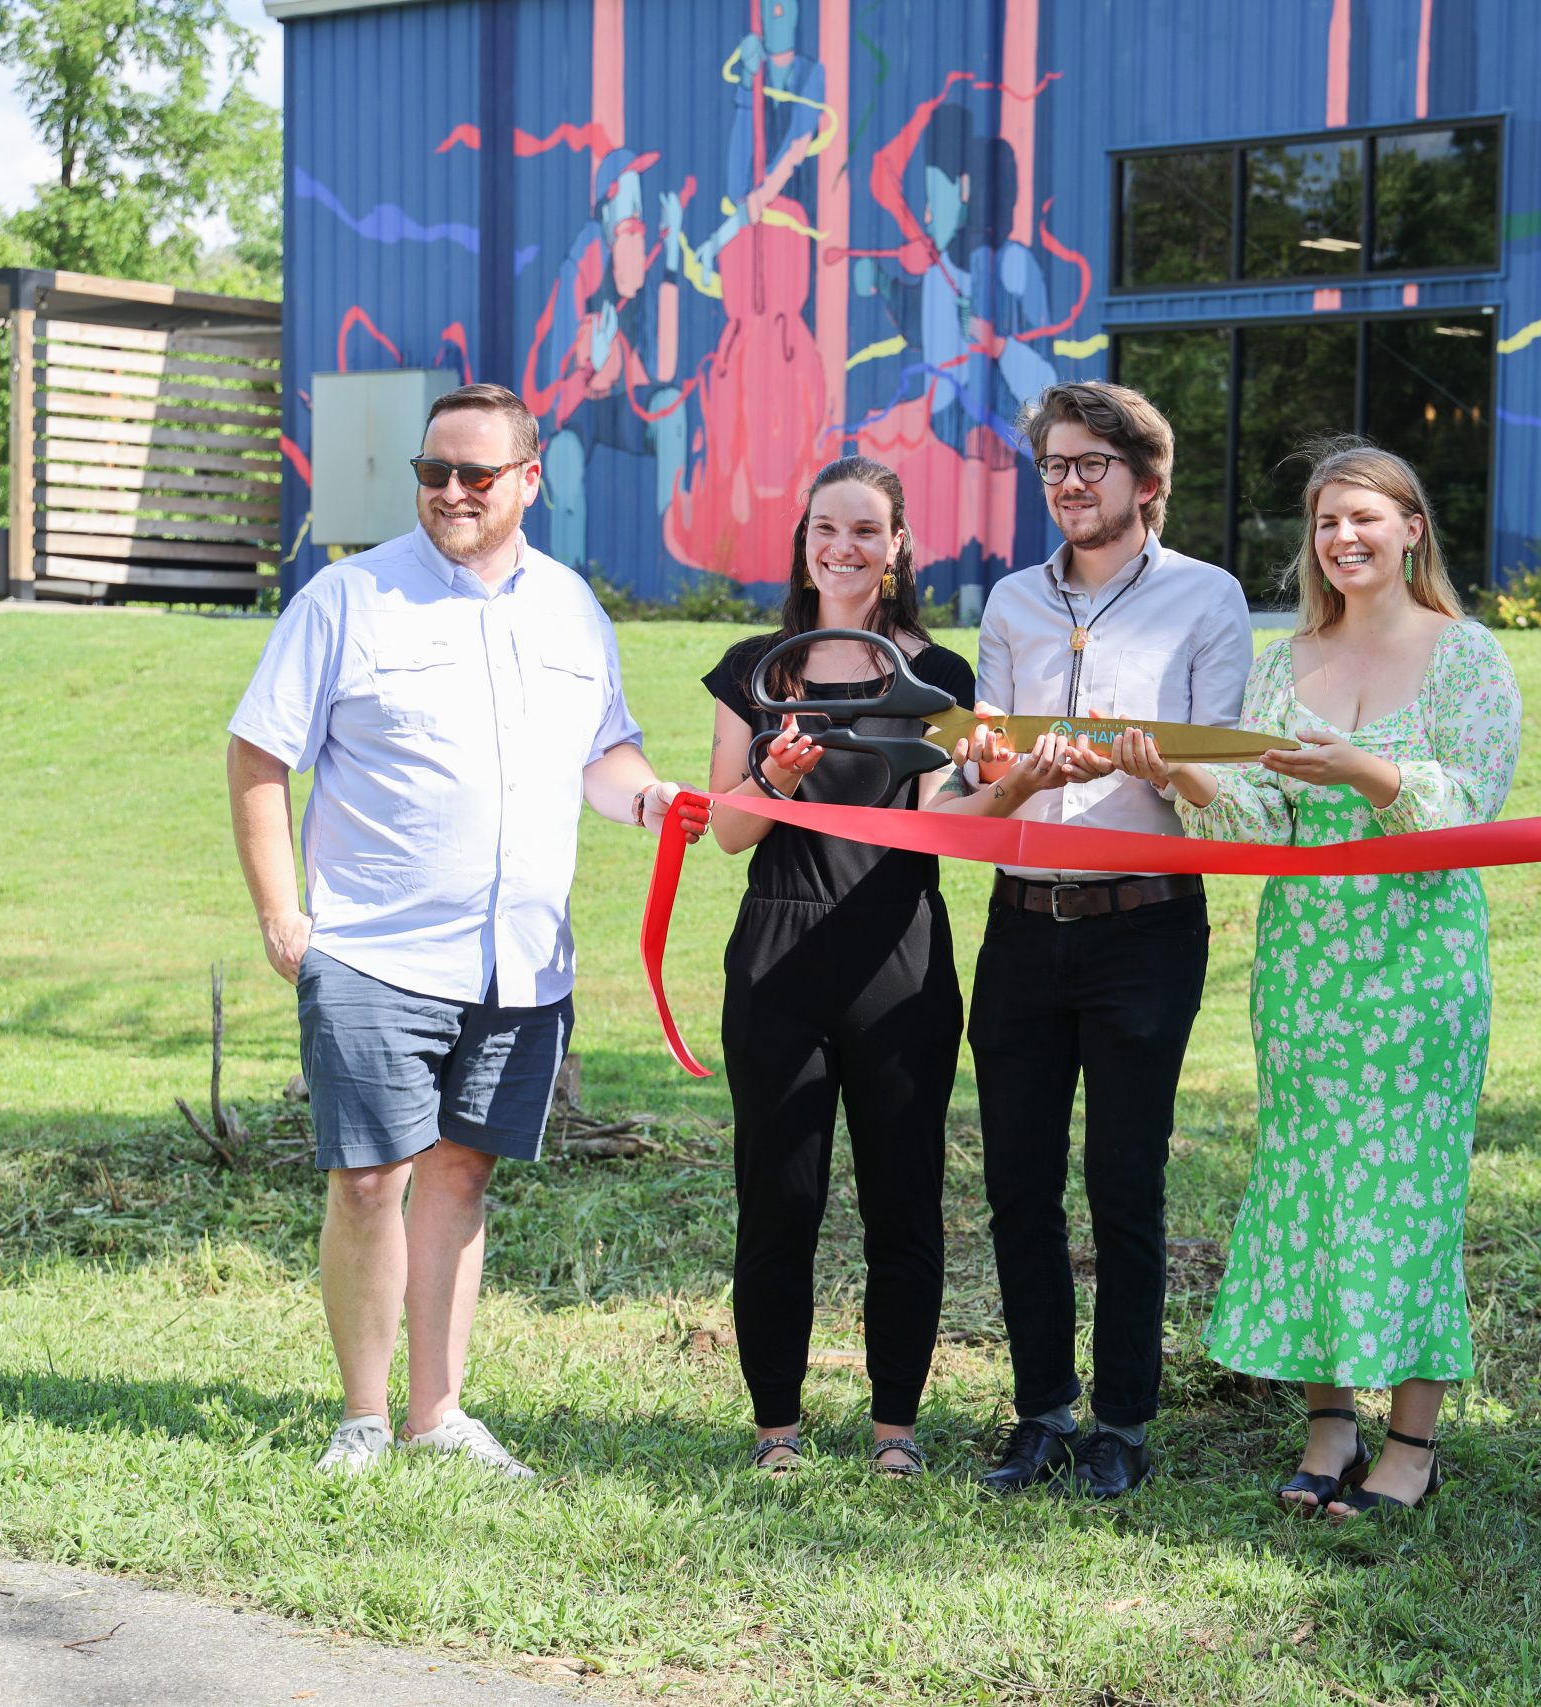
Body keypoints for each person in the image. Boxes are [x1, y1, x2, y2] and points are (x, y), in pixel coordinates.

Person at [227, 383, 708, 1479]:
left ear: (528, 480)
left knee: (460, 1178)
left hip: (520, 961)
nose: (449, 491)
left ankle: (435, 1416)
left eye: (475, 475)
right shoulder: (348, 599)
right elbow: (259, 756)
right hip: (376, 948)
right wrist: (280, 913)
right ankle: (360, 1418)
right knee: (366, 1180)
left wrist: (654, 800)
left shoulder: (571, 609)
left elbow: (606, 755)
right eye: (432, 471)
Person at [1112, 439, 1521, 1519]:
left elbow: (1469, 811)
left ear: (1410, 529)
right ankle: (1328, 1421)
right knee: (1309, 1190)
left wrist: (1366, 769)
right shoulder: (1282, 662)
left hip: (1419, 965)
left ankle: (1412, 1439)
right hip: (1306, 964)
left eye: (1364, 519)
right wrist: (1183, 771)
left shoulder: (1464, 655)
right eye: (1327, 522)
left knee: (1411, 1195)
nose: (1343, 539)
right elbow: (1261, 822)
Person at [701, 457, 1080, 1477]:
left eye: (868, 531)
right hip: (778, 947)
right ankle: (775, 1428)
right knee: (778, 1198)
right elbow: (728, 834)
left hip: (898, 948)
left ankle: (894, 1432)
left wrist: (1009, 786)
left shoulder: (944, 680)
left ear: (899, 545)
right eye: (829, 528)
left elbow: (946, 826)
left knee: (902, 1202)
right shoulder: (754, 666)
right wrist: (767, 780)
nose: (845, 548)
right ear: (804, 539)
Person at [961, 380, 1254, 1498]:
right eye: (1055, 467)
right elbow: (975, 765)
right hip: (1023, 927)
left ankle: (1122, 1422)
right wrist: (1005, 769)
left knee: (1125, 1182)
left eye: (1092, 464)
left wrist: (1158, 765)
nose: (1070, 484)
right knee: (1017, 1184)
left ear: (1147, 480)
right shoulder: (1007, 605)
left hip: (1144, 928)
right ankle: (1041, 1412)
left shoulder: (1207, 599)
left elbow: (1221, 780)